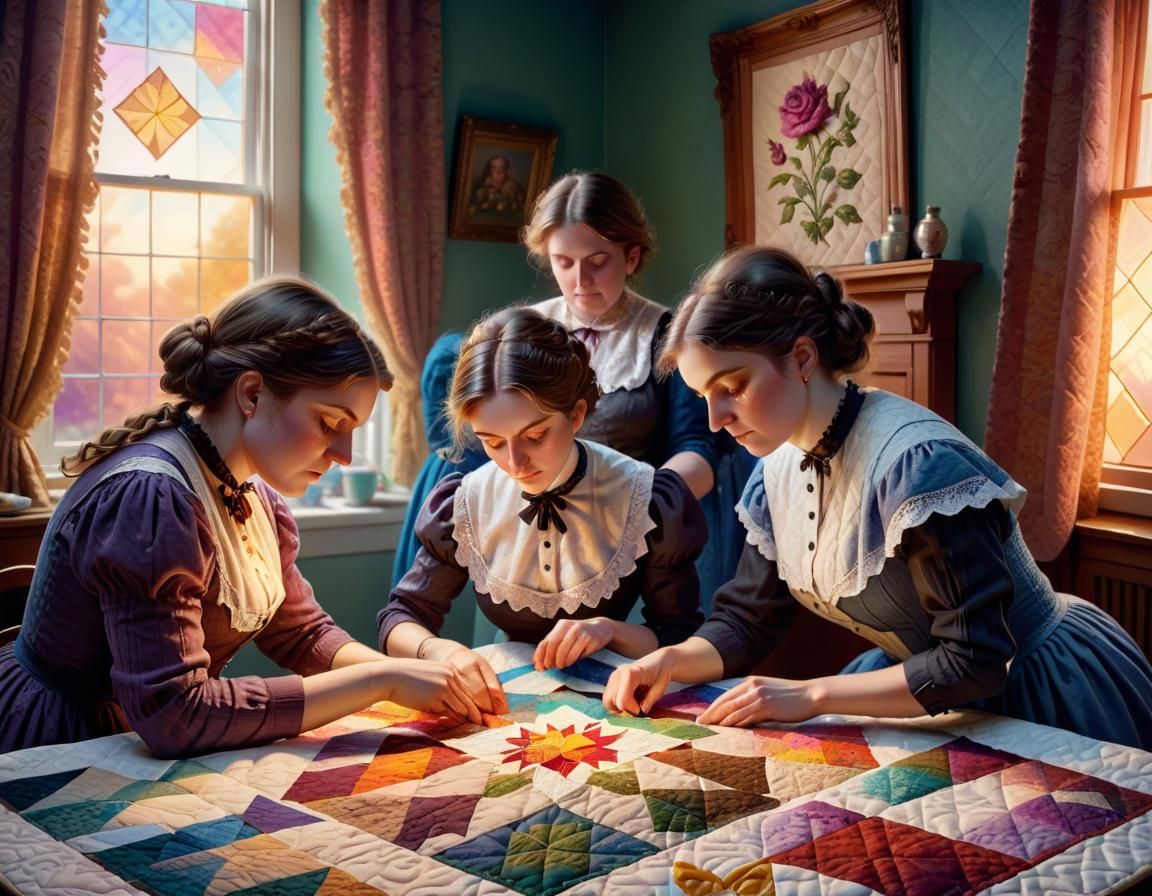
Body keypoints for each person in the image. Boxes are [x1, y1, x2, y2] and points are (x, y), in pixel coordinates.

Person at [602, 245, 1152, 751]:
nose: (716, 421)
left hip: (1036, 686)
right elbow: (747, 621)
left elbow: (976, 659)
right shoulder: (775, 473)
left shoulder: (918, 467)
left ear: (802, 357)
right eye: (704, 397)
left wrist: (811, 696)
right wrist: (666, 661)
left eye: (734, 387)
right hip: (921, 687)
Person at [0, 277, 483, 759]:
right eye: (329, 423)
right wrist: (382, 678)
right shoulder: (153, 497)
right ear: (252, 394)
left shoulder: (252, 492)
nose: (345, 454)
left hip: (131, 736)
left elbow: (301, 632)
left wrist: (407, 675)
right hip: (62, 740)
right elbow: (175, 712)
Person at [392, 171, 755, 605]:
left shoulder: (665, 336)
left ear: (632, 257)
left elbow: (697, 448)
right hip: (524, 537)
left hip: (631, 542)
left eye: (597, 261)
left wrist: (635, 508)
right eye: (564, 262)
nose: (580, 280)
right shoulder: (519, 335)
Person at [378, 308, 706, 715]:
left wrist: (610, 631)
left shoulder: (644, 496)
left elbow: (679, 636)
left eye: (534, 436)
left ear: (577, 415)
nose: (515, 462)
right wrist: (444, 652)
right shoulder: (465, 502)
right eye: (492, 442)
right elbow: (400, 618)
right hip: (507, 702)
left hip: (616, 699)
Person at [469, 154, 526, 220]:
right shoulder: (481, 186)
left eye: (502, 168)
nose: (498, 171)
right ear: (488, 170)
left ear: (507, 170)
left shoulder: (514, 187)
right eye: (494, 167)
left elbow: (520, 210)